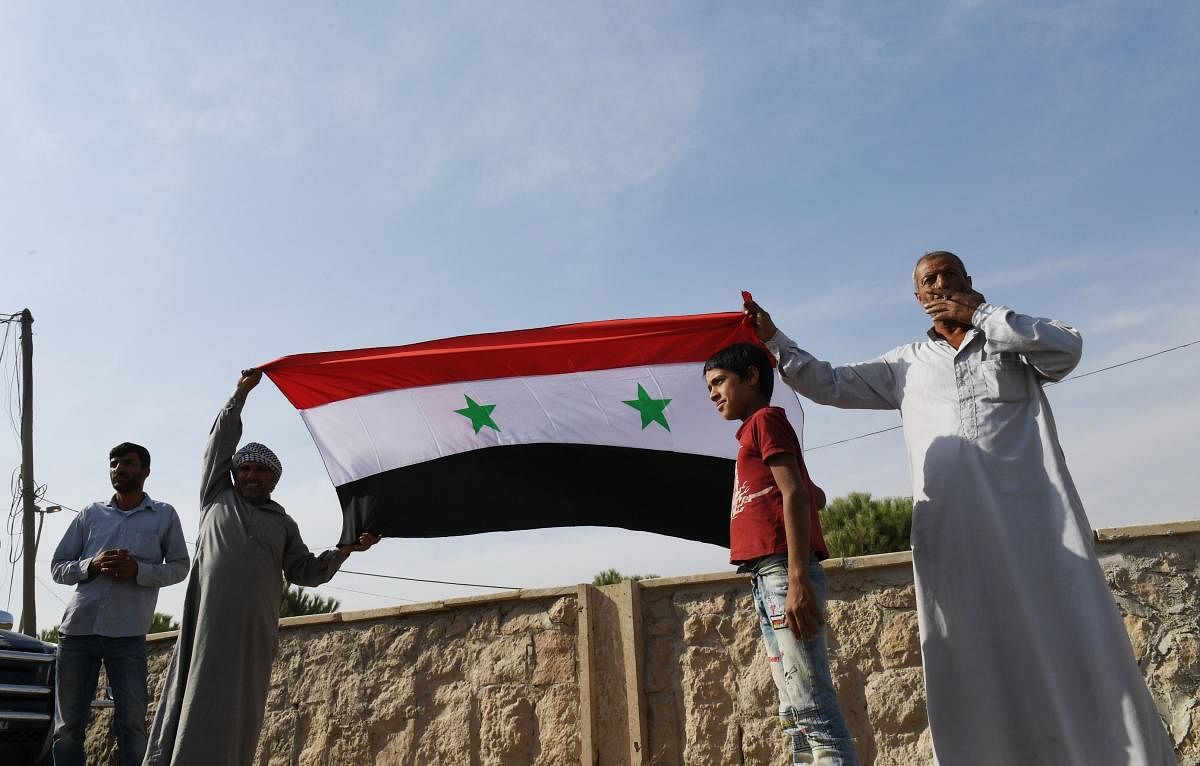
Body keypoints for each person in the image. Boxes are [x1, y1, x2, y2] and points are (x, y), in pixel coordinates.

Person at [745, 251, 1175, 765]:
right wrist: (774, 339)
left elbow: (1068, 349)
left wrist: (984, 316)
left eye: (950, 275)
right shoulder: (905, 364)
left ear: (970, 282)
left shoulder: (1009, 343)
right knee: (974, 659)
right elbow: (827, 382)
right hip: (954, 539)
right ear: (919, 298)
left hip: (1037, 531)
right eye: (930, 280)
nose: (941, 284)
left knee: (1070, 640)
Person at [143, 369, 379, 766]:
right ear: (233, 474)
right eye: (245, 469)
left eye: (260, 470)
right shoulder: (216, 497)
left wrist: (345, 549)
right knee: (193, 696)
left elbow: (306, 572)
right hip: (207, 625)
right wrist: (240, 395)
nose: (251, 475)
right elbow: (220, 443)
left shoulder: (282, 522)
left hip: (253, 633)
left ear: (274, 479)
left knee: (240, 709)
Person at [704, 343, 859, 765]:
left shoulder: (766, 420)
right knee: (793, 711)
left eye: (719, 382)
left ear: (751, 377)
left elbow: (794, 494)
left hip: (781, 571)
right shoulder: (752, 433)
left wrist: (797, 579)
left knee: (811, 704)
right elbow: (812, 495)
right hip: (762, 574)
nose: (713, 394)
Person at [50, 442, 189, 766]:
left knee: (132, 726)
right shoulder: (90, 514)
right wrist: (91, 565)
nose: (119, 470)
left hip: (128, 635)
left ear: (145, 471)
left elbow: (181, 566)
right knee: (67, 728)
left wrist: (138, 570)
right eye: (114, 464)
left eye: (127, 463)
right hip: (77, 632)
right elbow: (58, 567)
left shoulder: (164, 515)